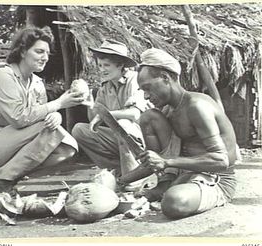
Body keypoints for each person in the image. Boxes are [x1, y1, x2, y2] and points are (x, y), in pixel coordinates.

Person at [0, 27, 85, 198]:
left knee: (67, 147)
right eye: (39, 51)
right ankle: (3, 181)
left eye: (48, 54)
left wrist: (55, 115)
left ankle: (4, 180)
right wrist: (58, 104)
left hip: (11, 143)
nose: (45, 58)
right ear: (22, 51)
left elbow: (41, 115)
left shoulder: (37, 83)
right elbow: (19, 118)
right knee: (47, 127)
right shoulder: (3, 75)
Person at [136, 48, 237, 219]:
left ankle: (171, 191)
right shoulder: (168, 110)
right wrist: (121, 181)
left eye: (148, 88)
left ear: (166, 78)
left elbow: (221, 161)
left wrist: (167, 162)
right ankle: (165, 184)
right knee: (148, 117)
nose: (145, 96)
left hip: (215, 178)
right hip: (184, 174)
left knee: (173, 202)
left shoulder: (197, 106)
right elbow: (158, 160)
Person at [71, 40, 149, 190]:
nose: (102, 69)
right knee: (79, 130)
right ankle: (120, 170)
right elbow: (93, 122)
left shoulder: (135, 80)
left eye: (106, 65)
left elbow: (133, 114)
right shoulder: (105, 87)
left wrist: (105, 115)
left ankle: (134, 178)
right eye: (100, 65)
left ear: (120, 65)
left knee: (124, 124)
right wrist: (89, 103)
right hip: (121, 140)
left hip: (144, 138)